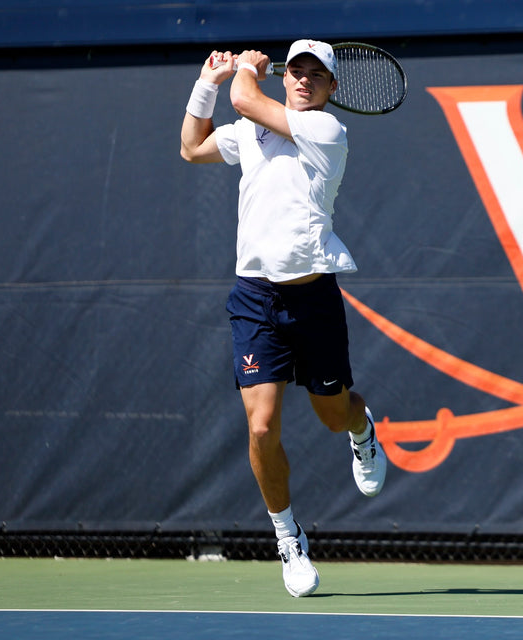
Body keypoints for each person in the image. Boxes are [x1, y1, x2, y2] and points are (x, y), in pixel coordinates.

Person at [179, 39, 387, 598]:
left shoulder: (327, 132)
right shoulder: (250, 128)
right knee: (262, 425)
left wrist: (245, 72)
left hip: (313, 297)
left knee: (333, 415)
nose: (302, 81)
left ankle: (362, 429)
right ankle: (288, 536)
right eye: (295, 72)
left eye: (315, 76)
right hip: (255, 300)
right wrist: (209, 84)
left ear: (331, 89)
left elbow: (249, 102)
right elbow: (192, 147)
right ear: (287, 76)